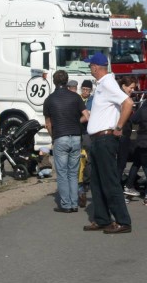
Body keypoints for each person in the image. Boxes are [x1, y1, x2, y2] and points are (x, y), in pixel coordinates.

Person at [81, 52, 133, 234]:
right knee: (96, 182)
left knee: (110, 181)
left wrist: (119, 126)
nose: (90, 69)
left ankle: (123, 221)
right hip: (98, 139)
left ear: (96, 67)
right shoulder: (103, 84)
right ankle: (102, 219)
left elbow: (128, 103)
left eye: (90, 66)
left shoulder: (109, 83)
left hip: (105, 138)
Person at [43, 69, 87, 213]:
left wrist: (53, 136)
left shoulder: (49, 100)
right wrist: (76, 122)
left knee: (62, 173)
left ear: (54, 82)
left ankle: (66, 204)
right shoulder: (75, 97)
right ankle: (74, 203)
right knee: (73, 173)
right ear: (67, 81)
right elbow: (86, 116)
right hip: (75, 136)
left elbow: (48, 123)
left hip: (60, 136)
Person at [78, 79, 94, 207]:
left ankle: (87, 181)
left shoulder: (92, 100)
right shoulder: (77, 98)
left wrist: (77, 120)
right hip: (78, 131)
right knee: (78, 157)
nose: (85, 92)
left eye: (87, 90)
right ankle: (79, 181)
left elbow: (88, 114)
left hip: (87, 131)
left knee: (88, 157)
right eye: (83, 89)